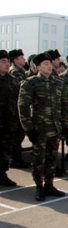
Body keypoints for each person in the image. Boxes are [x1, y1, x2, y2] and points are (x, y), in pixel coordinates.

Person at [18, 53, 68, 201]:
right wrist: (28, 128)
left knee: (52, 158)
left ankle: (49, 184)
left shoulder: (58, 83)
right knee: (39, 159)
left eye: (49, 63)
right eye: (44, 64)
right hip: (39, 129)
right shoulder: (30, 83)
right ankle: (39, 187)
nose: (48, 66)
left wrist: (64, 123)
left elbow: (65, 104)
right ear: (38, 67)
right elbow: (23, 107)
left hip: (55, 128)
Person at [0, 50, 19, 186]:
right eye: (3, 61)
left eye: (7, 61)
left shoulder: (12, 81)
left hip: (9, 124)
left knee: (6, 151)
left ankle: (2, 174)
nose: (7, 64)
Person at [8, 49, 30, 168]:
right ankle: (15, 160)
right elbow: (21, 88)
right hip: (16, 108)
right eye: (21, 57)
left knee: (19, 135)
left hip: (17, 107)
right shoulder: (16, 72)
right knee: (17, 136)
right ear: (15, 60)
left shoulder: (19, 70)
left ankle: (16, 159)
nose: (24, 59)